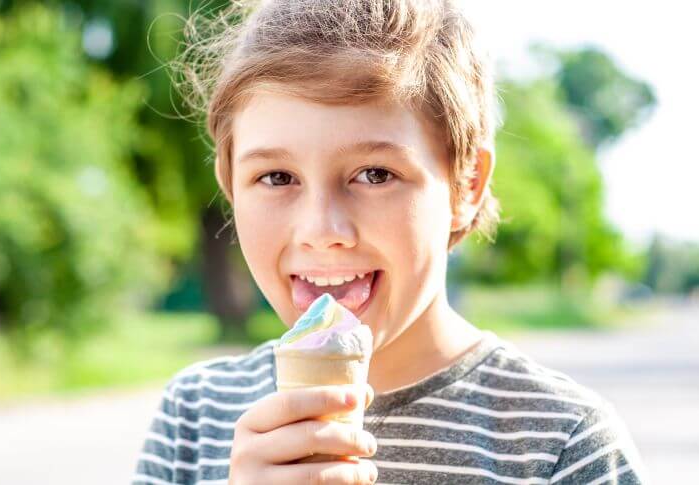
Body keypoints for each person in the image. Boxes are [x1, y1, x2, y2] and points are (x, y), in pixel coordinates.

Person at [133, 0, 649, 483]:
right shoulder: (195, 416)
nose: (322, 231)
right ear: (230, 189)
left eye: (375, 174)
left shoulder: (563, 443)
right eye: (276, 177)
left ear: (466, 185)